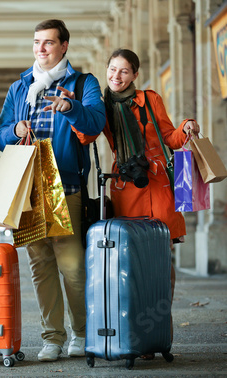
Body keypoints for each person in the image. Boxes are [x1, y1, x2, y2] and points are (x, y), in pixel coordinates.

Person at [0, 19, 106, 362]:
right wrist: (15, 128)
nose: (40, 49)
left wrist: (71, 107)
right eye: (36, 42)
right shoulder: (20, 87)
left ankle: (82, 332)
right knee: (40, 264)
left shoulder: (83, 82)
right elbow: (0, 136)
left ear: (64, 46)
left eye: (47, 43)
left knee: (72, 265)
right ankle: (52, 338)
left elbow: (96, 122)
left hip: (66, 184)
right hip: (27, 188)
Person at [102, 48, 200, 358]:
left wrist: (185, 127)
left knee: (161, 260)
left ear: (134, 75)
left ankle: (159, 332)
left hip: (157, 184)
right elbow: (87, 133)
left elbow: (169, 135)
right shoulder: (102, 106)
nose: (117, 76)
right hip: (127, 186)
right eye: (113, 70)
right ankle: (138, 334)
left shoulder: (150, 99)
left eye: (124, 71)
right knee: (131, 264)